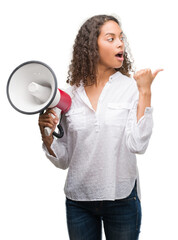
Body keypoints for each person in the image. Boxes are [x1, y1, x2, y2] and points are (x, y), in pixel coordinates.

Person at [39, 14, 163, 240]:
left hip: (122, 197)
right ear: (91, 46)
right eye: (111, 38)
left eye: (121, 38)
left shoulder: (131, 88)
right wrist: (47, 138)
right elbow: (64, 159)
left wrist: (145, 91)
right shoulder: (69, 95)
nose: (120, 43)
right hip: (79, 201)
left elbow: (137, 145)